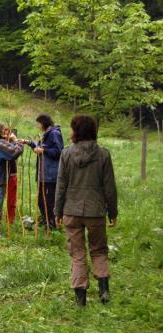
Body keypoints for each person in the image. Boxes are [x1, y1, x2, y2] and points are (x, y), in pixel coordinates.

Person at [54, 114, 117, 306]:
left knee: (78, 253)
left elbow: (61, 185)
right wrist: (112, 212)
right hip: (96, 210)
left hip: (71, 210)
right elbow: (109, 187)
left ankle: (80, 298)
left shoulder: (66, 154)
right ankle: (104, 289)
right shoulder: (103, 154)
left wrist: (57, 211)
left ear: (76, 132)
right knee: (99, 250)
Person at [20, 114, 64, 230]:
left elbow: (59, 151)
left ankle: (51, 224)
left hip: (50, 175)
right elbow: (41, 147)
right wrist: (28, 142)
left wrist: (43, 150)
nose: (37, 125)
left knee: (48, 201)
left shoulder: (54, 133)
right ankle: (47, 222)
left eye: (38, 123)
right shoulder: (47, 134)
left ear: (44, 122)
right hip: (43, 174)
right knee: (41, 200)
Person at [3, 128, 19, 224]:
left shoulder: (13, 145)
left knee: (11, 199)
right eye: (4, 134)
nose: (6, 137)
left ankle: (10, 219)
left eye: (8, 134)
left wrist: (14, 141)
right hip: (1, 174)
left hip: (12, 173)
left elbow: (16, 152)